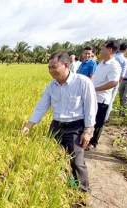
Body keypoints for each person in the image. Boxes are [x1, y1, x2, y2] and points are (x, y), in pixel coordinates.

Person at [22, 51, 97, 194]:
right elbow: (41, 107)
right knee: (56, 158)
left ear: (66, 65)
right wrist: (28, 126)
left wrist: (88, 130)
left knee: (77, 162)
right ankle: (63, 185)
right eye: (49, 68)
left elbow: (90, 107)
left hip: (75, 127)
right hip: (56, 127)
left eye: (54, 67)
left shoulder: (82, 82)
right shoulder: (52, 86)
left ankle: (83, 193)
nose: (51, 71)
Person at [88, 40, 121, 150]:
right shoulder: (101, 63)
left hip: (102, 99)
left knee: (98, 122)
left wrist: (95, 89)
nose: (100, 51)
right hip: (93, 96)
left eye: (103, 48)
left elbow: (114, 82)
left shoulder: (114, 65)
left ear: (110, 50)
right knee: (90, 118)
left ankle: (93, 143)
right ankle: (87, 138)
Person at [105, 42, 127, 123]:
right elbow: (122, 75)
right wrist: (118, 83)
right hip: (114, 82)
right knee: (110, 100)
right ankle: (105, 118)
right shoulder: (125, 61)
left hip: (105, 81)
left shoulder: (112, 56)